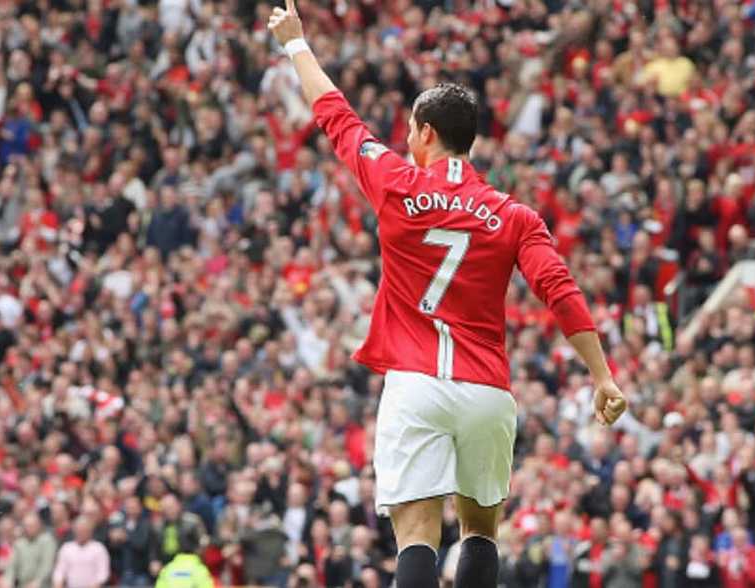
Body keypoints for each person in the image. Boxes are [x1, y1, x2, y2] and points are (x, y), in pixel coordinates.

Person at [265, 4, 629, 588]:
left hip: (415, 383)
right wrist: (602, 375)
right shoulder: (513, 215)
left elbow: (336, 116)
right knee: (479, 531)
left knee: (417, 537)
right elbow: (558, 289)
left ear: (425, 133)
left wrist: (296, 45)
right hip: (487, 389)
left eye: (410, 128)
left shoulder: (394, 182)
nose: (405, 138)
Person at [51, 516, 110, 588]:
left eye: (84, 530)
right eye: (79, 530)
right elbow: (59, 571)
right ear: (74, 530)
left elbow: (103, 574)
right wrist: (58, 583)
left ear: (90, 531)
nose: (81, 532)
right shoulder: (66, 548)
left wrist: (96, 584)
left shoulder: (99, 548)